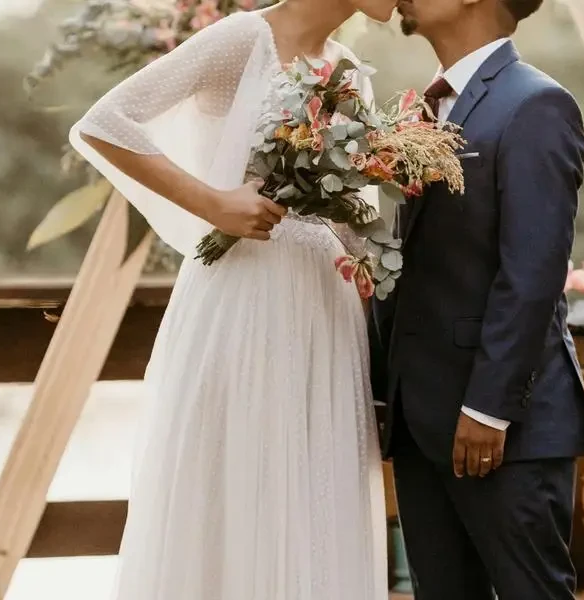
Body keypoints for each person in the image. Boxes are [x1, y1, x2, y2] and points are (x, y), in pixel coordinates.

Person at [69, 1, 397, 598]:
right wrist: (211, 203)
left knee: (315, 488)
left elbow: (355, 215)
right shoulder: (245, 39)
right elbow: (106, 121)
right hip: (247, 295)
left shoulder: (348, 68)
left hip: (327, 307)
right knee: (240, 479)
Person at [370, 0, 584, 598]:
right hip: (421, 425)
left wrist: (488, 409)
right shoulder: (426, 108)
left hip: (501, 430)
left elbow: (531, 272)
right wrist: (381, 394)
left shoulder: (536, 105)